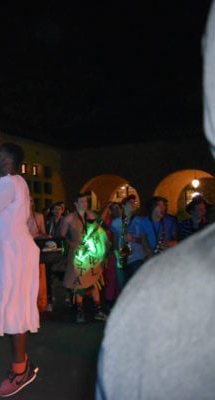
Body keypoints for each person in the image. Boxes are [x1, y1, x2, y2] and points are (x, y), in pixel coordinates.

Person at [97, 10, 215, 396]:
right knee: (129, 289)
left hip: (148, 263)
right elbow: (125, 237)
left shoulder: (164, 231)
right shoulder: (140, 224)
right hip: (135, 260)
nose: (163, 210)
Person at [0, 143, 40, 397]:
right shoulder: (19, 182)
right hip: (15, 246)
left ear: (9, 161)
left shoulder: (6, 182)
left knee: (14, 308)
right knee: (16, 307)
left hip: (12, 248)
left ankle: (21, 371)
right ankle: (21, 367)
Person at [59, 193, 109, 323]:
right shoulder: (69, 218)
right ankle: (80, 312)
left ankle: (98, 310)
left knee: (93, 282)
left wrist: (107, 207)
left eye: (86, 201)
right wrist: (70, 243)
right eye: (82, 201)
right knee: (78, 283)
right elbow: (62, 235)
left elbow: (99, 224)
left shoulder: (91, 215)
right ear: (75, 204)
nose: (84, 204)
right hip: (77, 255)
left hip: (90, 254)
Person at [110, 194, 146, 291]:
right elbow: (115, 242)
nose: (133, 204)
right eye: (130, 202)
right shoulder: (116, 222)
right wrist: (118, 256)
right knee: (123, 287)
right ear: (123, 205)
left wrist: (133, 239)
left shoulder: (140, 221)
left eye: (135, 202)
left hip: (136, 258)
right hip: (123, 259)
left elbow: (144, 240)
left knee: (137, 286)